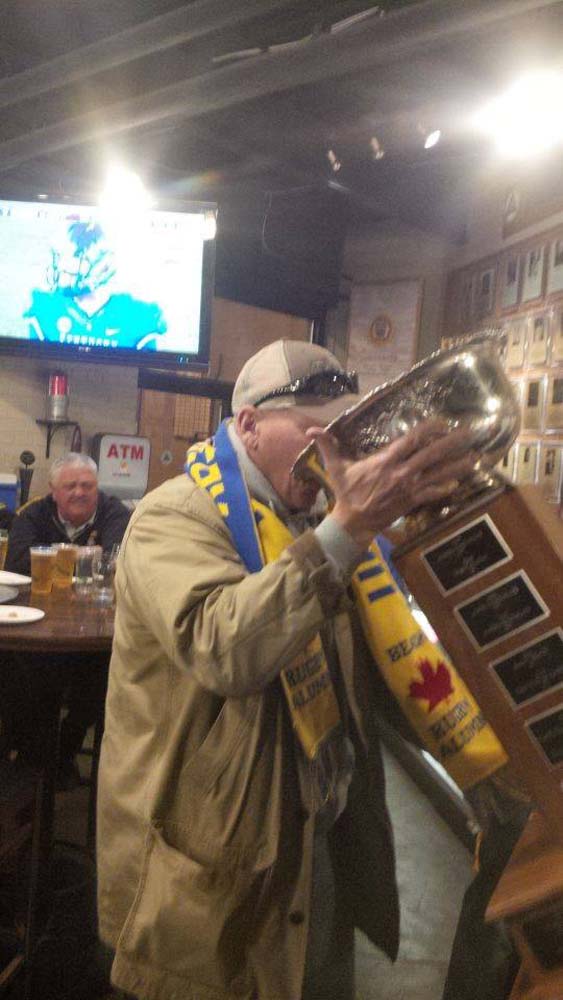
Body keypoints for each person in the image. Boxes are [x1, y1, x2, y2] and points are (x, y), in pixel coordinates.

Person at [97, 339, 476, 1000]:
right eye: (311, 431)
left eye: (340, 434)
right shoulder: (174, 515)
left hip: (312, 839)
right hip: (208, 865)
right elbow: (224, 648)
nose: (328, 451)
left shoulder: (313, 521)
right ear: (248, 424)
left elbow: (372, 674)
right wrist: (346, 529)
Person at [2, 452, 130, 784]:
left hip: (92, 631)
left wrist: (54, 558)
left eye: (87, 485)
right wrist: (85, 559)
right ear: (53, 490)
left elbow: (118, 562)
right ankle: (34, 762)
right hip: (37, 626)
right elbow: (17, 564)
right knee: (17, 671)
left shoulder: (116, 512)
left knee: (106, 675)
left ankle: (63, 751)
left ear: (97, 487)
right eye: (70, 486)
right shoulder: (32, 513)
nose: (79, 492)